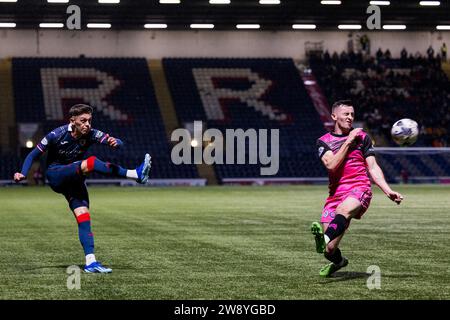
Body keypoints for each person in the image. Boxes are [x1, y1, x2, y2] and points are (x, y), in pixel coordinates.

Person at [13, 104, 151, 273]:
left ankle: (90, 262)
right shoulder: (56, 135)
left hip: (75, 179)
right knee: (91, 162)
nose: (87, 124)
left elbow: (117, 142)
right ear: (73, 121)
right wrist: (22, 172)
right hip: (56, 174)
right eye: (83, 121)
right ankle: (135, 175)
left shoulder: (91, 133)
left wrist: (116, 143)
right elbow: (33, 154)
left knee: (83, 217)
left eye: (89, 120)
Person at [311, 100, 403, 277]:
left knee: (343, 210)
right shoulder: (324, 142)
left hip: (359, 188)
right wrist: (348, 141)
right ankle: (339, 261)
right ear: (334, 116)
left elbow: (373, 167)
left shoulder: (363, 138)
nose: (350, 118)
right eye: (346, 114)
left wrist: (387, 190)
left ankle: (323, 238)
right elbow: (331, 165)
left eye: (352, 114)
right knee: (329, 250)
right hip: (335, 194)